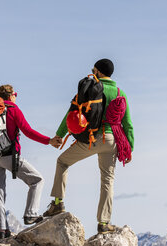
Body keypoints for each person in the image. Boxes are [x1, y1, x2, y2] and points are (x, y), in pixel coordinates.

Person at [43, 59, 134, 234]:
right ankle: (104, 223)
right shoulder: (120, 93)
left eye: (93, 70)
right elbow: (128, 123)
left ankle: (57, 204)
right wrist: (130, 147)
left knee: (62, 162)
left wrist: (59, 136)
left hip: (92, 139)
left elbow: (71, 114)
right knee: (107, 181)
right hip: (112, 141)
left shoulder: (89, 88)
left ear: (98, 72)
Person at [0, 85, 61, 239]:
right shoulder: (13, 109)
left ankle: (1, 230)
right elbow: (28, 131)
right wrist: (49, 141)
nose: (16, 96)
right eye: (15, 94)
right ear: (10, 95)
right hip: (9, 156)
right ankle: (31, 214)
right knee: (37, 180)